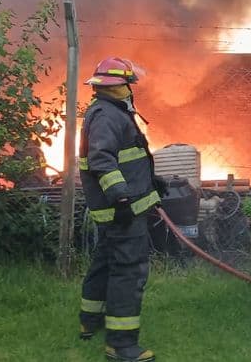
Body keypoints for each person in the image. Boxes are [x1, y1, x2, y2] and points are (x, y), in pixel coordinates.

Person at [77, 56, 166, 362]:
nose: (131, 90)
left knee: (105, 261)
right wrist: (121, 198)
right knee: (128, 271)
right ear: (119, 86)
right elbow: (102, 160)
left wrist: (153, 182)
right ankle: (122, 344)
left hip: (118, 207)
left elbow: (128, 158)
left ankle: (90, 320)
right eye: (128, 84)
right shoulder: (107, 116)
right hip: (120, 211)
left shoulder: (108, 112)